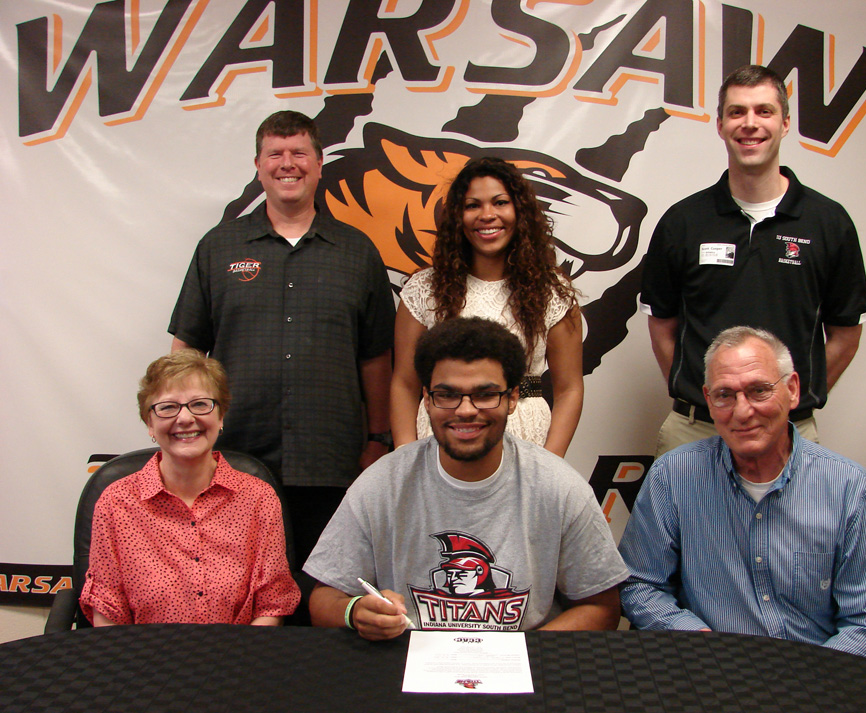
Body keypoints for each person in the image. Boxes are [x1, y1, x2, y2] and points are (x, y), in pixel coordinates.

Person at [167, 110, 396, 567]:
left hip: (331, 459)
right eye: (275, 153)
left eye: (299, 152)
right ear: (258, 164)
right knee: (236, 583)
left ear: (319, 164)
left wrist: (377, 438)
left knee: (322, 588)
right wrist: (184, 424)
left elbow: (377, 358)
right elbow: (187, 351)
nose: (287, 163)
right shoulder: (219, 247)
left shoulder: (357, 251)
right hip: (235, 455)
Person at [307, 317, 627, 640]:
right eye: (447, 394)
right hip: (405, 670)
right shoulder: (381, 484)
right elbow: (323, 598)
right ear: (427, 399)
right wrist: (355, 612)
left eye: (485, 394)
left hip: (523, 676)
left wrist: (522, 655)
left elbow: (602, 607)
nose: (465, 410)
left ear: (513, 397)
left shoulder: (561, 488)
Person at [618, 326, 866, 661]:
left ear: (793, 390)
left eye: (758, 391)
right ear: (708, 401)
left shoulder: (853, 491)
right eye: (726, 395)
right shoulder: (674, 477)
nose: (742, 412)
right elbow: (640, 584)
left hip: (818, 680)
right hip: (709, 671)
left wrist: (813, 679)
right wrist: (695, 640)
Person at [640, 65, 866, 455]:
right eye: (737, 112)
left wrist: (782, 402)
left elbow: (846, 336)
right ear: (719, 124)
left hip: (790, 434)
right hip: (696, 432)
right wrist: (713, 400)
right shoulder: (683, 221)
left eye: (764, 111)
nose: (750, 124)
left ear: (784, 123)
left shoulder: (828, 222)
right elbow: (662, 326)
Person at [80, 350, 300, 625]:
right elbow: (107, 613)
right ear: (150, 423)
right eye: (168, 407)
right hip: (141, 660)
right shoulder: (117, 502)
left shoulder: (259, 498)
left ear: (221, 417)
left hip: (238, 659)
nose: (185, 418)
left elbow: (271, 607)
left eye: (200, 404)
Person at [391, 156, 583, 457]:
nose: (487, 215)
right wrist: (404, 455)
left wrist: (551, 462)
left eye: (500, 202)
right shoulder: (424, 289)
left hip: (525, 437)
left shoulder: (551, 293)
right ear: (457, 216)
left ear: (519, 211)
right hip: (443, 434)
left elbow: (569, 389)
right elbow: (404, 383)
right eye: (472, 205)